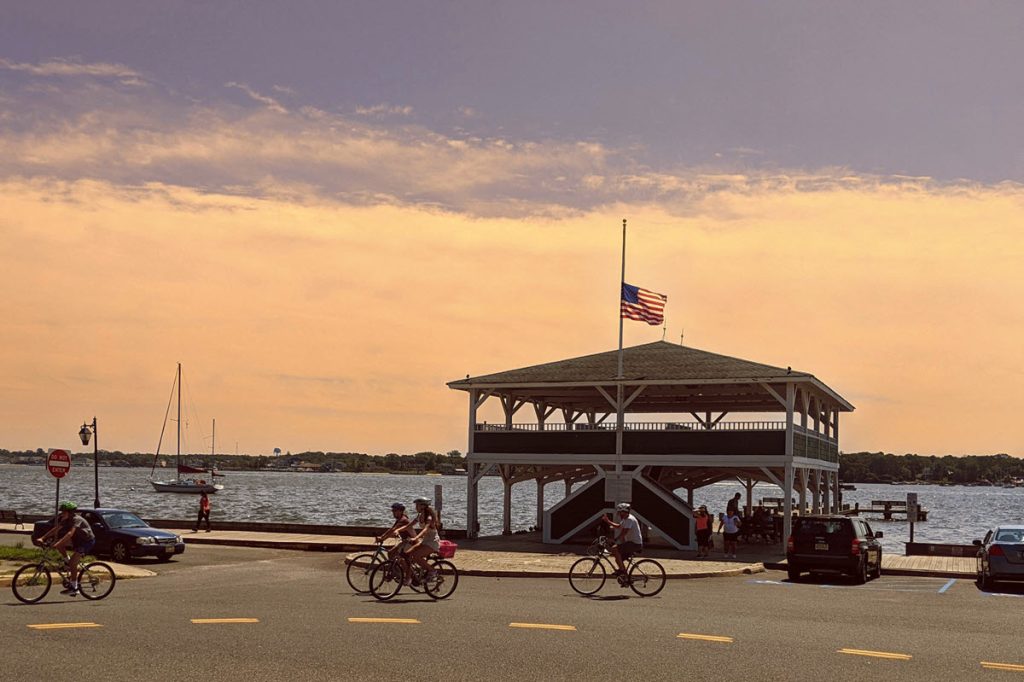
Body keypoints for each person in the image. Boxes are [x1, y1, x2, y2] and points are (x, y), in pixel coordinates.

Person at [34, 501, 95, 596]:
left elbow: (70, 533)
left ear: (70, 512)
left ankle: (74, 588)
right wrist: (43, 538)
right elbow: (56, 529)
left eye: (64, 511)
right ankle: (67, 561)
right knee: (60, 546)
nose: (62, 513)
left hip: (86, 542)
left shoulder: (76, 519)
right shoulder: (65, 520)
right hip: (77, 540)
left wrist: (58, 542)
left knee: (72, 563)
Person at [403, 497, 441, 585]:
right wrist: (397, 530)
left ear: (423, 506)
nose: (415, 507)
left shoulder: (429, 517)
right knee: (407, 554)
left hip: (432, 542)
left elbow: (425, 530)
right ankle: (409, 578)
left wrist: (416, 538)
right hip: (425, 541)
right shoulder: (420, 516)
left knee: (416, 556)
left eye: (417, 505)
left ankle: (432, 571)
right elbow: (409, 525)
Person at [603, 503, 643, 579]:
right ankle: (625, 576)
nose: (618, 514)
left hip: (635, 544)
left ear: (624, 512)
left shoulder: (629, 519)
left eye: (620, 512)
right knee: (618, 558)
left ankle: (622, 571)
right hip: (631, 543)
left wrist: (615, 540)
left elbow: (624, 532)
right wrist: (608, 521)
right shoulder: (625, 519)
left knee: (615, 549)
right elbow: (618, 526)